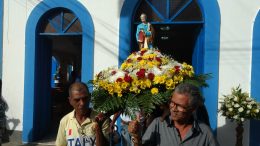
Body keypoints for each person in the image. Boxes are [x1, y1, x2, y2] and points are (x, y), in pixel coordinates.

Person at [128, 83, 219, 146]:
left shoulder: (205, 133)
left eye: (179, 106)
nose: (173, 109)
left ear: (192, 109)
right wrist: (136, 136)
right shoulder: (158, 124)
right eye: (172, 103)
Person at [56, 82, 110, 146]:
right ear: (70, 101)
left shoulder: (101, 119)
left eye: (85, 99)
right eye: (77, 100)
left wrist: (98, 129)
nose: (82, 103)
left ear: (89, 97)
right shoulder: (65, 121)